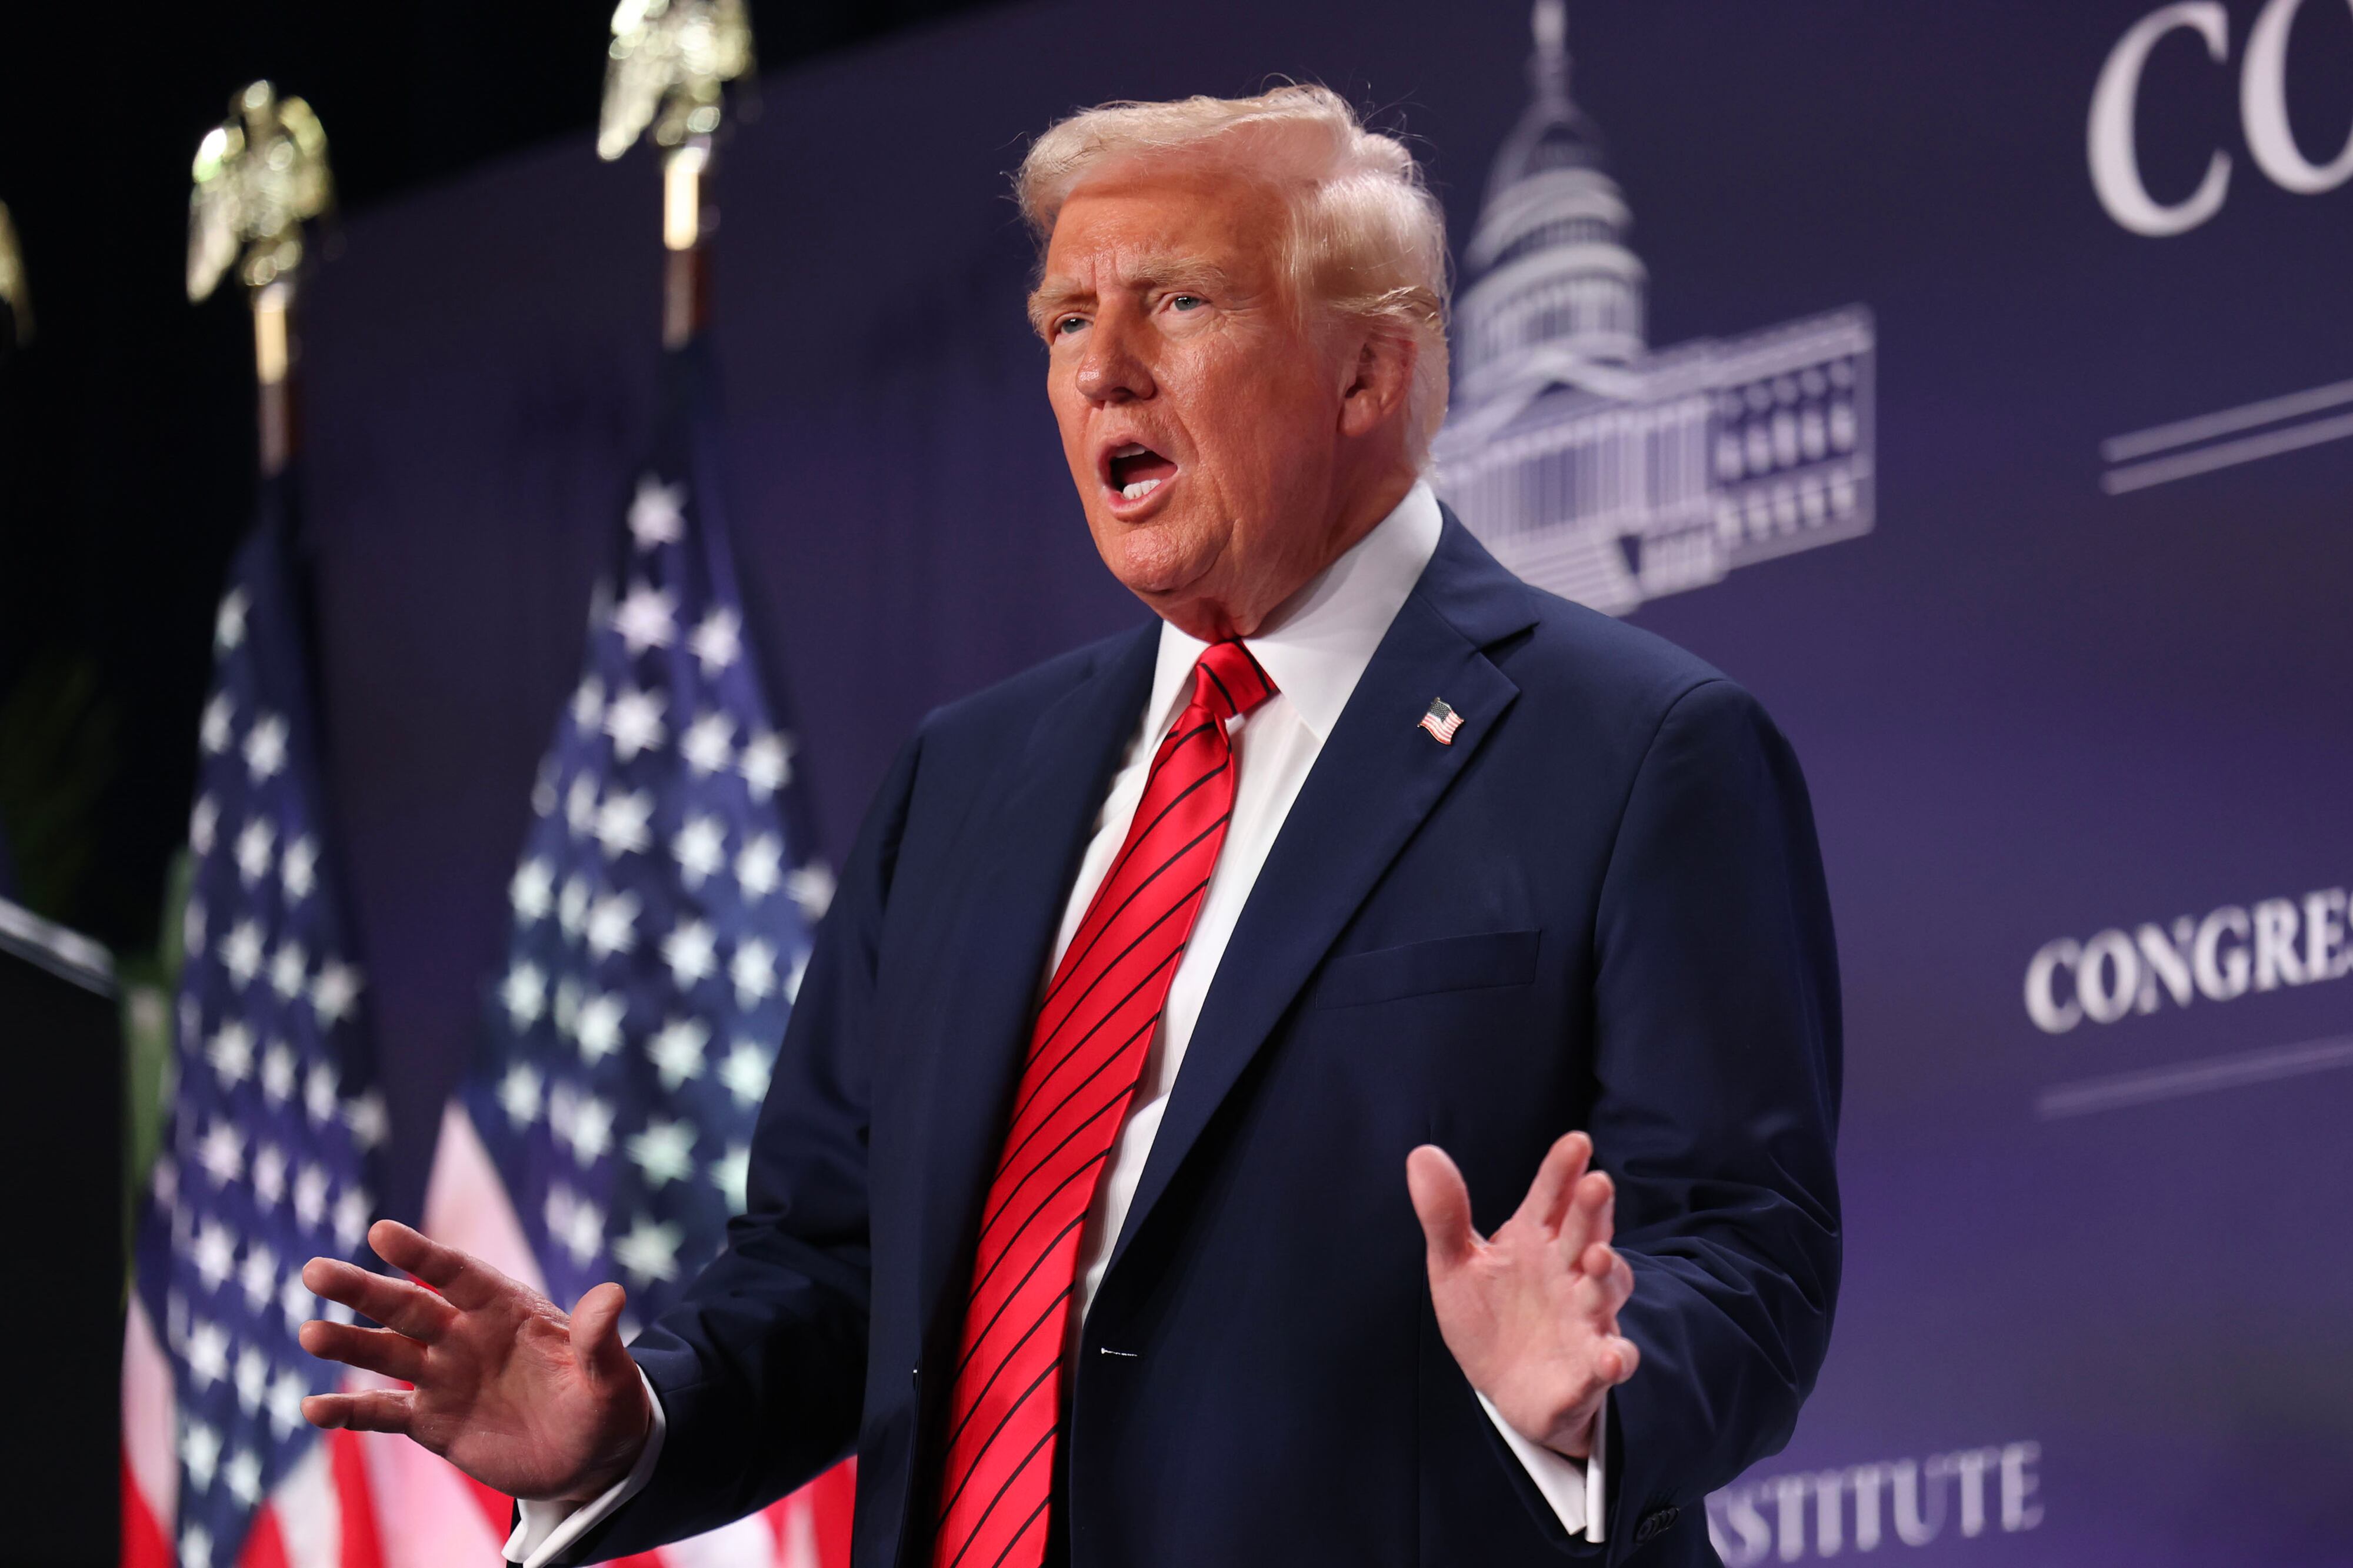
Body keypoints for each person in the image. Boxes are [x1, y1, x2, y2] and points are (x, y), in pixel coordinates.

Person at [298, 85, 1841, 1567]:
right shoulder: (964, 780)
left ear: (1367, 374)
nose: (1099, 367)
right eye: (1062, 321)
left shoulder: (1637, 750)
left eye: (1177, 304)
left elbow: (1743, 1246)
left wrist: (1597, 1377)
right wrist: (636, 1419)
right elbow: (831, 1263)